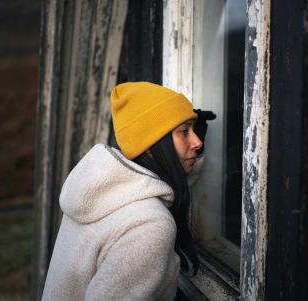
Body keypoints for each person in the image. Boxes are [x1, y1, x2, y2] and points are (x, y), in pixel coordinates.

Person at [41, 82, 213, 300]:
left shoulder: (97, 195)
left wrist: (184, 157)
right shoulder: (150, 226)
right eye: (184, 131)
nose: (197, 142)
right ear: (151, 144)